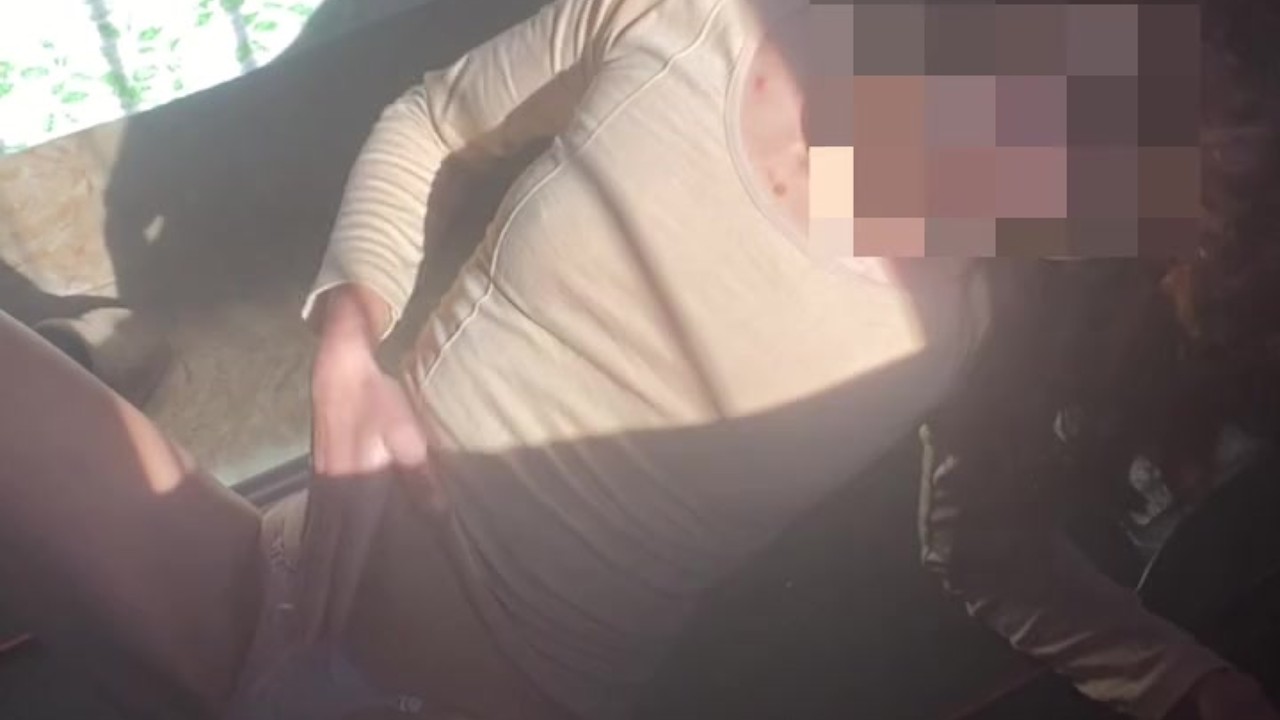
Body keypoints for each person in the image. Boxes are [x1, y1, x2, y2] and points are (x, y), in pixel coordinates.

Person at [0, 3, 1272, 720]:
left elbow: (988, 554)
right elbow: (435, 117)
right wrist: (348, 331)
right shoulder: (696, 24)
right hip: (263, 588)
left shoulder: (972, 327)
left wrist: (1192, 684)